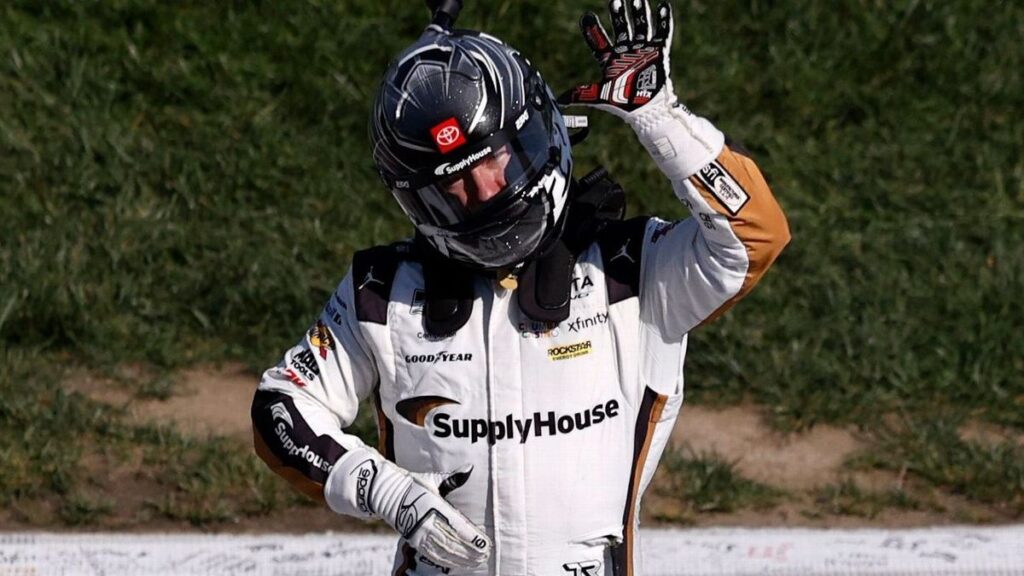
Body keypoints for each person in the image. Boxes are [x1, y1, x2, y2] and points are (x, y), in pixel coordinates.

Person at [251, 0, 790, 574]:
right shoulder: (381, 295)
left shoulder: (633, 273)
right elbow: (280, 408)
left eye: (496, 158)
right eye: (453, 185)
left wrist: (661, 119)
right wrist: (385, 491)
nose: (486, 191)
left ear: (535, 134)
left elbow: (755, 236)